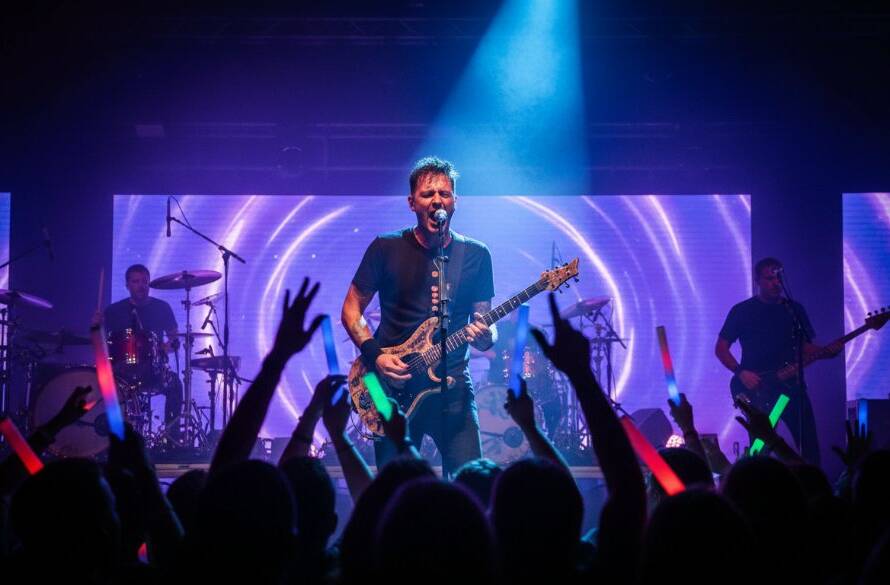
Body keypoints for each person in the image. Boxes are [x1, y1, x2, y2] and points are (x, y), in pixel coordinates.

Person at [341, 156, 496, 475]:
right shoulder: (385, 248)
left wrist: (486, 335)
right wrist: (377, 356)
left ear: (455, 202)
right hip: (384, 384)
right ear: (412, 203)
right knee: (391, 482)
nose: (437, 200)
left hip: (453, 389)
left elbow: (484, 324)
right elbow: (351, 309)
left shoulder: (477, 255)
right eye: (427, 194)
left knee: (474, 481)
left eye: (444, 193)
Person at [715, 257, 838, 464]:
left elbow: (803, 347)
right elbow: (721, 348)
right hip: (758, 387)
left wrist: (826, 351)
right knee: (759, 447)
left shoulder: (793, 309)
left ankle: (811, 490)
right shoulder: (742, 310)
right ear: (758, 281)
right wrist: (741, 373)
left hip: (791, 386)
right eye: (769, 278)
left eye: (778, 278)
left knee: (809, 446)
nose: (775, 283)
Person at [100, 263, 183, 440]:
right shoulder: (113, 311)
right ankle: (112, 440)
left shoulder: (162, 307)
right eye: (136, 281)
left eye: (144, 281)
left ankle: (172, 437)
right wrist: (95, 326)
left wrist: (164, 348)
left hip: (153, 369)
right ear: (127, 285)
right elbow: (100, 343)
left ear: (149, 283)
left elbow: (175, 339)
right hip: (121, 372)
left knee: (175, 384)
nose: (141, 285)